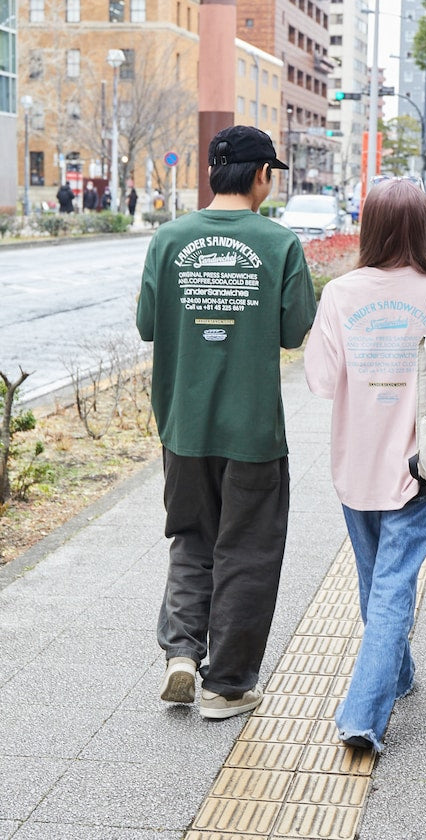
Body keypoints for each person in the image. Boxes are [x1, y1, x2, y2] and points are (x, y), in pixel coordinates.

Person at [304, 178, 426, 751]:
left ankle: (362, 715)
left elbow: (318, 379)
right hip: (423, 463)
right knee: (382, 587)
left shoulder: (341, 294)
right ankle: (397, 674)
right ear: (421, 228)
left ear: (370, 226)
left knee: (379, 585)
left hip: (355, 461)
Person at [136, 125, 316, 719]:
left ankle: (182, 654)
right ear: (262, 174)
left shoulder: (169, 238)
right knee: (248, 549)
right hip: (252, 432)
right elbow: (294, 332)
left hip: (182, 426)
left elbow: (146, 325)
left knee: (191, 537)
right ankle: (227, 685)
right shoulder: (279, 243)